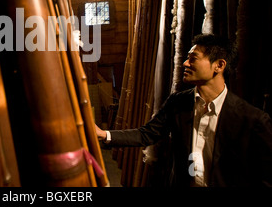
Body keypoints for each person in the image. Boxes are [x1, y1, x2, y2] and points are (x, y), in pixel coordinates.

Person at [96, 33, 272, 187]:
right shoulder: (178, 102)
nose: (185, 63)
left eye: (193, 58)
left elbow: (264, 177)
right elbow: (147, 134)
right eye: (187, 57)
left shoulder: (252, 119)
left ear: (219, 65)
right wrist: (104, 134)